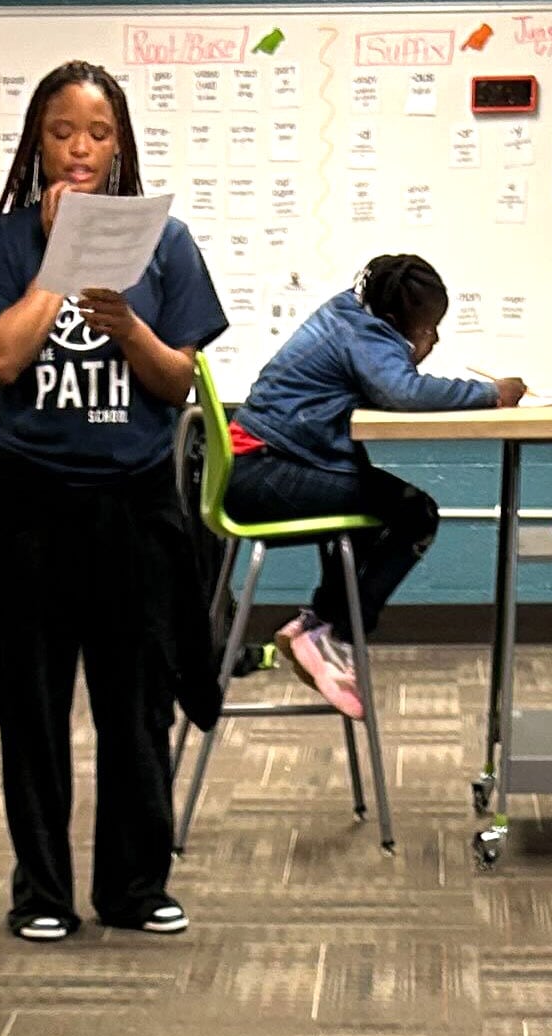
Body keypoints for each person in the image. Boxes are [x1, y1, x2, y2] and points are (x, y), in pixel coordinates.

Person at [0, 62, 231, 941]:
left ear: (121, 147)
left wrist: (132, 328)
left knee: (137, 703)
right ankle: (40, 894)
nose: (80, 149)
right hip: (29, 504)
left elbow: (176, 379)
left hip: (135, 504)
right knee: (32, 708)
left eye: (99, 134)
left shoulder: (168, 242)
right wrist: (59, 267)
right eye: (63, 132)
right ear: (38, 141)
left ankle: (135, 887)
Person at [228, 255, 523, 717]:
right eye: (429, 327)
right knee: (415, 514)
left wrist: (408, 352)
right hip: (264, 475)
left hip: (261, 466)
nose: (434, 338)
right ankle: (333, 634)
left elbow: (388, 382)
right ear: (394, 322)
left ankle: (318, 625)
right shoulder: (364, 332)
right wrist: (493, 394)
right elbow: (403, 391)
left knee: (378, 512)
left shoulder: (349, 311)